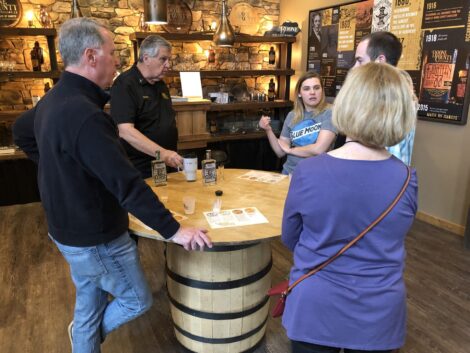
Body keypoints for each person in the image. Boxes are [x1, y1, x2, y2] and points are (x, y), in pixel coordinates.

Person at [12, 18, 212, 353]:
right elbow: (128, 185)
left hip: (67, 233)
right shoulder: (86, 115)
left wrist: (58, 169)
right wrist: (174, 231)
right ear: (91, 56)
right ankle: (83, 336)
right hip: (97, 237)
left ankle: (84, 338)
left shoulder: (53, 99)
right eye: (111, 52)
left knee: (89, 300)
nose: (117, 60)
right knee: (136, 300)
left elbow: (21, 131)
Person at [281, 62, 418, 353]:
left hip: (315, 304)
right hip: (379, 311)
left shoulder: (308, 172)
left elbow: (290, 238)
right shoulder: (408, 178)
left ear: (346, 105)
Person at [110, 35, 183, 178]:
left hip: (167, 163)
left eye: (169, 59)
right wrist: (162, 153)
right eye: (163, 59)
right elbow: (125, 131)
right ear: (146, 58)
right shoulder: (125, 84)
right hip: (141, 169)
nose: (168, 65)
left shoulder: (160, 84)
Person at [352, 31, 415, 165]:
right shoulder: (397, 90)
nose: (355, 68)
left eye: (360, 60)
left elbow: (390, 155)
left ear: (380, 60)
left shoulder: (393, 97)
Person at [259, 72, 337, 175]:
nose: (312, 92)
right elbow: (280, 151)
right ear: (299, 93)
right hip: (289, 173)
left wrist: (291, 150)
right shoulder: (292, 115)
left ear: (322, 91)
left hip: (317, 175)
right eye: (306, 88)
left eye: (316, 88)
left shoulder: (330, 112)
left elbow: (319, 149)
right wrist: (268, 129)